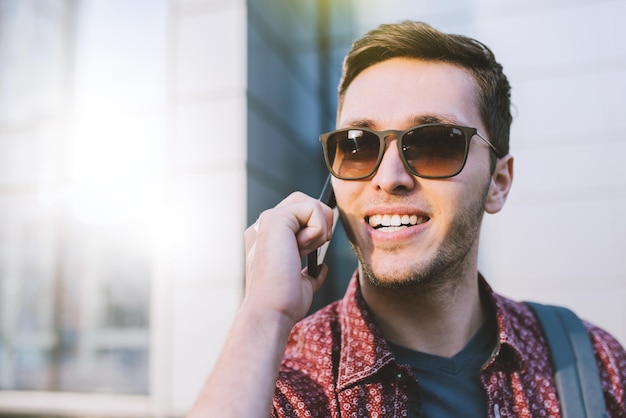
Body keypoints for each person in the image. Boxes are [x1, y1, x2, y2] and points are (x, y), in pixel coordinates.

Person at [187, 21, 626, 417]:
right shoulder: (284, 386)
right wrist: (264, 311)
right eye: (358, 146)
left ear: (499, 182)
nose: (389, 178)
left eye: (436, 143)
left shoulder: (595, 363)